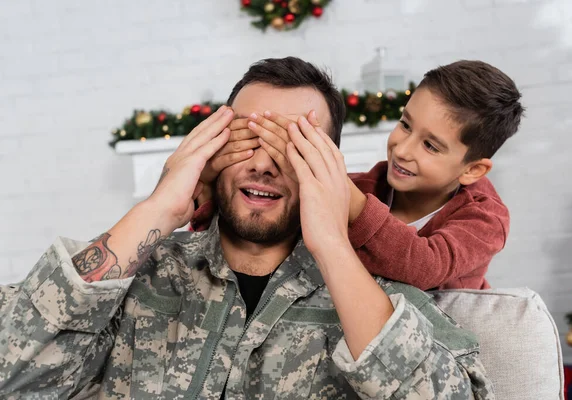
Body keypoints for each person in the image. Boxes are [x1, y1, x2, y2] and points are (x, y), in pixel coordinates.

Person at [0, 57, 493, 399]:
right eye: (246, 139)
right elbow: (12, 376)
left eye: (291, 148)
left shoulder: (377, 297)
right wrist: (160, 207)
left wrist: (331, 243)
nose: (263, 164)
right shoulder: (137, 279)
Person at [191, 60, 524, 291]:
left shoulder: (484, 219)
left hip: (436, 336)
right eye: (405, 125)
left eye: (431, 146)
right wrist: (205, 189)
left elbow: (425, 267)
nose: (403, 148)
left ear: (473, 169)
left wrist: (342, 192)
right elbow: (271, 228)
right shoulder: (368, 186)